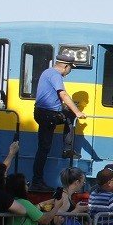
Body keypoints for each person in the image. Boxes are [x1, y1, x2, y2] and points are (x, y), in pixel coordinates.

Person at [31, 55, 85, 191]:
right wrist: (77, 111)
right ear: (66, 66)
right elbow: (63, 95)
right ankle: (37, 181)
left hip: (43, 113)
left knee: (67, 115)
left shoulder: (47, 72)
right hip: (48, 115)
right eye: (71, 68)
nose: (70, 71)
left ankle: (67, 148)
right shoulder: (56, 75)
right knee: (43, 149)